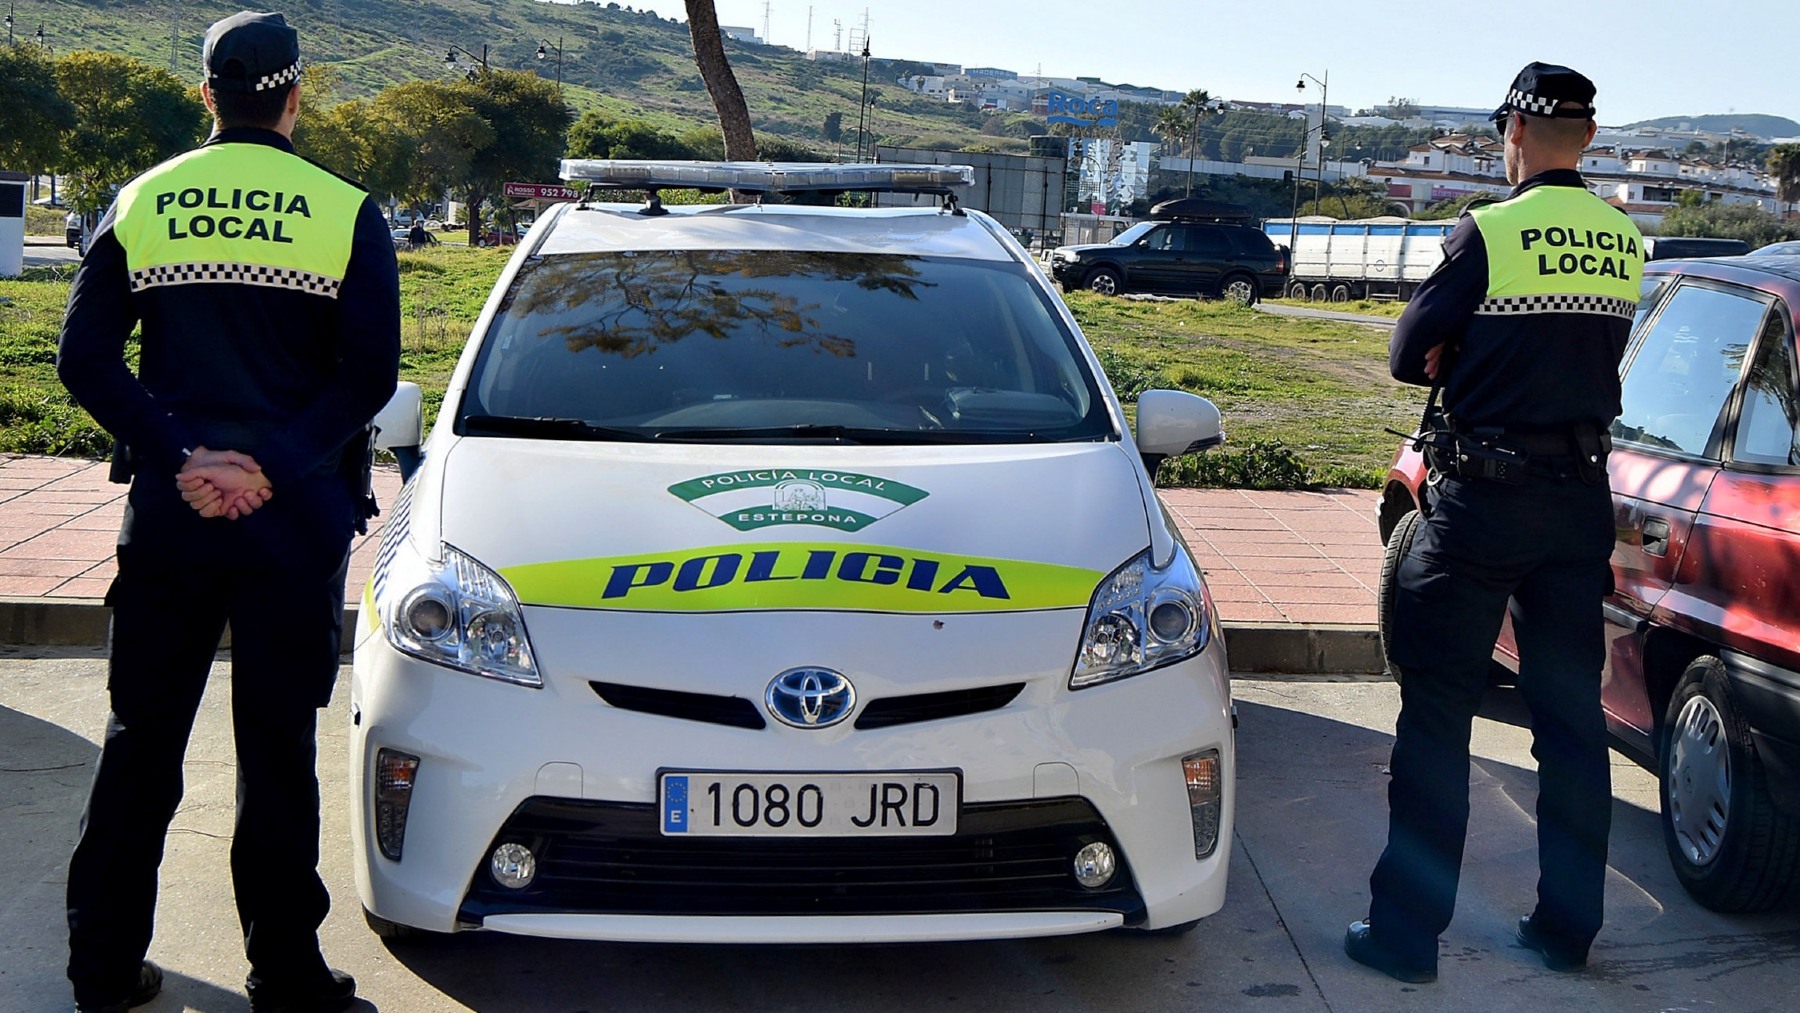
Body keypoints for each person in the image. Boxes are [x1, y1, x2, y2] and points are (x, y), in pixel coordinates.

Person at [56, 11, 401, 1013]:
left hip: (171, 515)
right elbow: (368, 374)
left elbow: (84, 359)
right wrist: (273, 466)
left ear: (208, 94)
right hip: (292, 523)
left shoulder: (143, 200)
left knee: (139, 741)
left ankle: (101, 966)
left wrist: (185, 458)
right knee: (277, 749)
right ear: (297, 93)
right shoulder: (345, 210)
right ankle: (286, 972)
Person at [1345, 62, 1644, 984]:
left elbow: (1405, 353)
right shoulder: (1624, 239)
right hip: (1576, 503)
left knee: (1436, 715)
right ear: (1589, 138)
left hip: (1480, 503)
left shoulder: (1490, 230)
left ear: (1511, 131)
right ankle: (1566, 929)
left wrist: (1459, 344)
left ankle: (1405, 938)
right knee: (1569, 723)